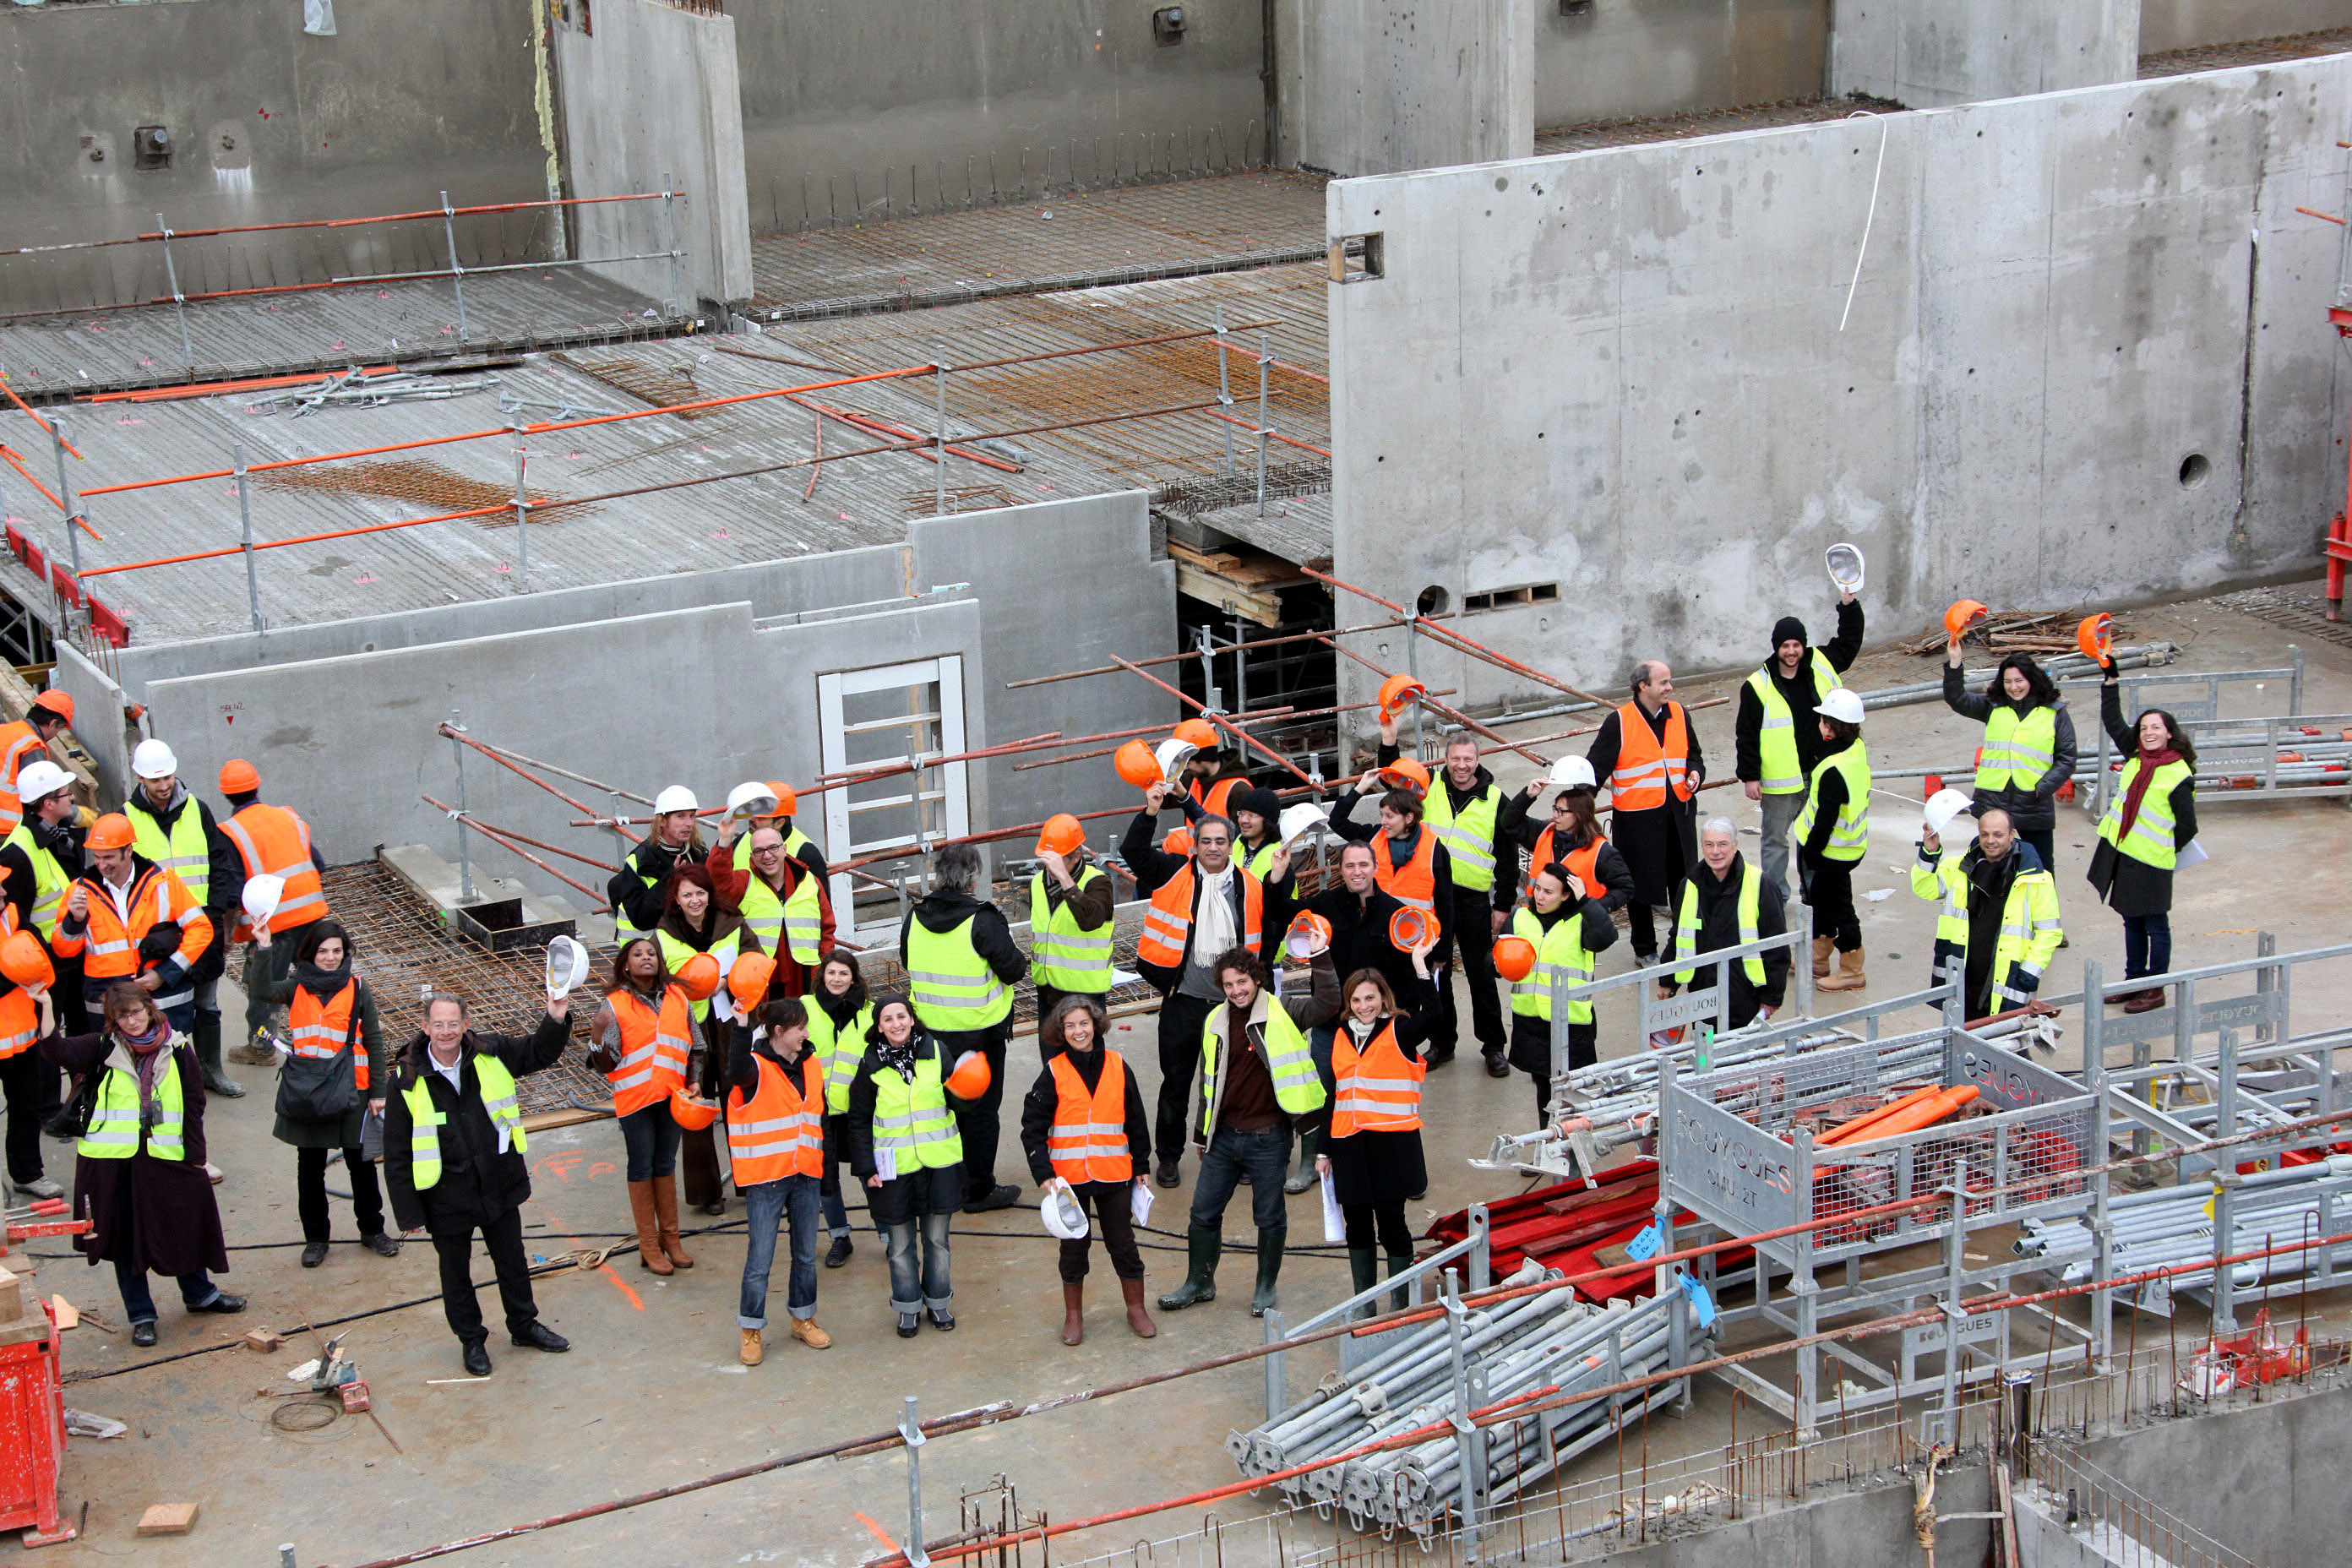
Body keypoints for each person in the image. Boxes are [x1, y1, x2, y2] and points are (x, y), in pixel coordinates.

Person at [41, 983, 246, 1347]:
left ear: (149, 1009)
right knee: (123, 1241)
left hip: (165, 1159)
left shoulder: (179, 1050)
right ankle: (141, 1315)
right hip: (110, 1164)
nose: (132, 1021)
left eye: (136, 1012)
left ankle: (200, 1295)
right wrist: (45, 1005)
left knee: (181, 1225)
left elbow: (194, 1106)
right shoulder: (101, 1048)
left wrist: (197, 1159)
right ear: (113, 1020)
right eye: (122, 1016)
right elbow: (55, 1050)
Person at [383, 988, 574, 1376]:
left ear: (466, 1025)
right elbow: (398, 1151)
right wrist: (408, 1211)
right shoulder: (406, 1078)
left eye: (454, 1023)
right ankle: (471, 1340)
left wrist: (555, 1017)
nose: (447, 1031)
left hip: (497, 1181)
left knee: (512, 1261)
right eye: (439, 1024)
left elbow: (538, 1051)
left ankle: (523, 1325)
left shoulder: (490, 1053)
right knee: (455, 1273)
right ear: (425, 1027)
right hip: (445, 1194)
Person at [1157, 945, 1338, 1318]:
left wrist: (1319, 955)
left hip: (1268, 1138)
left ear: (1257, 979)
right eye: (1228, 984)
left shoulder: (1284, 1011)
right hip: (1223, 1137)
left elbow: (1328, 1003)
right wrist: (1201, 1135)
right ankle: (1200, 1282)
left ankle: (1265, 1287)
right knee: (1202, 1213)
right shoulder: (1215, 1022)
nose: (1236, 990)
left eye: (1242, 982)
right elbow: (1207, 1084)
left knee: (1269, 1216)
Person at [1122, 783, 1285, 1189]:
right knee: (1176, 1084)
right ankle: (1170, 1157)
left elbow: (1275, 923)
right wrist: (1150, 812)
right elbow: (1134, 853)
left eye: (1221, 841)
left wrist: (1280, 881)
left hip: (1234, 1005)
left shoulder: (1250, 884)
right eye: (1206, 841)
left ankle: (1238, 1154)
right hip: (1185, 1000)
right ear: (1194, 845)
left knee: (1235, 1084)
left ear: (1232, 846)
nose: (1213, 847)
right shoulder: (1173, 872)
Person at [251, 920, 398, 1266]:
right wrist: (263, 948)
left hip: (354, 1091)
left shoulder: (359, 989)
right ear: (310, 954)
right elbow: (260, 991)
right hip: (311, 1091)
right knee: (310, 1168)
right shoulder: (295, 986)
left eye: (337, 951)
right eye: (323, 951)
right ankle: (316, 1239)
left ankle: (373, 1230)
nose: (331, 958)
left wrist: (379, 1092)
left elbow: (374, 1041)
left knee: (361, 1166)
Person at [1376, 720, 1515, 1079]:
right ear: (1447, 759)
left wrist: (1502, 904)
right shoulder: (1429, 785)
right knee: (1438, 974)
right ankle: (1443, 1042)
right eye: (1455, 758)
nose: (1462, 765)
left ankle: (1493, 1047)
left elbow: (1508, 856)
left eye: (1468, 758)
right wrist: (1389, 740)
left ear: (1478, 759)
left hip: (1472, 901)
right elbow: (1393, 783)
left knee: (1480, 974)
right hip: (1432, 900)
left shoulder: (1496, 800)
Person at [1270, 839, 1407, 1195]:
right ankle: (1310, 1161)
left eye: (1363, 865)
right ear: (1340, 871)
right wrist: (1279, 875)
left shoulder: (1395, 911)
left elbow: (1407, 972)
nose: (1357, 872)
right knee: (1319, 1093)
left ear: (1375, 867)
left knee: (1382, 1096)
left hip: (1378, 1028)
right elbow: (1282, 911)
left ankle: (1397, 1165)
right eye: (1349, 866)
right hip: (1332, 1023)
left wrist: (1403, 1022)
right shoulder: (1325, 905)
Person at [1019, 993, 1156, 1344]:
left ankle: (1136, 1309)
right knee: (1074, 1248)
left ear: (1096, 1024)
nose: (1078, 1031)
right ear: (1060, 1032)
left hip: (1114, 1174)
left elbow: (1135, 1118)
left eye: (1084, 1023)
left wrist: (1141, 1163)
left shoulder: (1117, 1064)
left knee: (1123, 1243)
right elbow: (1032, 1126)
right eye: (1070, 1026)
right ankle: (1074, 1316)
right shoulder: (1053, 1072)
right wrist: (1043, 1173)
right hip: (1069, 1180)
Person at [900, 841, 1027, 1213]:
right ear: (973, 878)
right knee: (982, 1114)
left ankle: (944, 1185)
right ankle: (977, 1189)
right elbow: (1014, 970)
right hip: (980, 1036)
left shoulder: (915, 917)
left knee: (940, 1111)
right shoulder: (983, 919)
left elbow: (908, 960)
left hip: (930, 1037)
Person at [1316, 934, 1440, 1313]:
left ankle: (1399, 1306)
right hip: (1349, 1144)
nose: (1363, 1006)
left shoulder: (1400, 1031)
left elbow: (1434, 1016)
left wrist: (1421, 967)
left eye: (1370, 998)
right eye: (1356, 1000)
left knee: (1392, 1225)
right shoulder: (1340, 1036)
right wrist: (1323, 1149)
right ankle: (1365, 1305)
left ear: (1383, 999)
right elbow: (1333, 1095)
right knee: (1357, 1224)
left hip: (1392, 1145)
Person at [123, 740, 243, 1098]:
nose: (163, 787)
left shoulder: (198, 809)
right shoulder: (126, 818)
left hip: (200, 929)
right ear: (140, 778)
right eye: (155, 780)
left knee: (206, 1003)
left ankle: (210, 1071)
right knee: (159, 1008)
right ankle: (162, 1079)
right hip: (158, 934)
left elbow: (219, 864)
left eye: (168, 778)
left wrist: (215, 915)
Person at [847, 995, 972, 1337]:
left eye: (901, 1016)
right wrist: (865, 1167)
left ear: (912, 1019)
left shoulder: (937, 1052)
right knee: (900, 1246)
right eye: (887, 1019)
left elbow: (956, 1098)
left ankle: (939, 1303)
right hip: (894, 1170)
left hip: (939, 1165)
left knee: (937, 1241)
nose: (896, 1024)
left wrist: (970, 1090)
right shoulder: (870, 1064)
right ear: (879, 1027)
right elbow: (857, 1120)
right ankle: (907, 1307)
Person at [725, 994, 832, 1364]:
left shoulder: (812, 1065)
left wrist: (825, 1173)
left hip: (805, 1174)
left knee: (805, 1254)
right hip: (767, 1179)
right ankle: (751, 1328)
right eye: (800, 1027)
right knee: (760, 1259)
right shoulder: (753, 1067)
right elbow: (735, 1070)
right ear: (778, 1031)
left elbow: (820, 1120)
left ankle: (803, 1318)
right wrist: (740, 1026)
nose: (806, 1033)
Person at [1735, 591, 1864, 895]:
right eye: (1785, 646)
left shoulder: (1821, 662)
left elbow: (1849, 641)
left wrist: (1849, 606)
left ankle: (1813, 892)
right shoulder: (1757, 686)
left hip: (1821, 772)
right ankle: (1776, 895)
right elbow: (1747, 734)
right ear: (1776, 647)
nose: (1792, 651)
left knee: (1813, 836)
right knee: (1775, 839)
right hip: (1782, 781)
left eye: (1796, 645)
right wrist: (1750, 776)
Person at [2088, 662, 2198, 1014]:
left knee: (2155, 924)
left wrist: (2163, 849)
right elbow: (2113, 720)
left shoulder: (2178, 772)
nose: (2149, 732)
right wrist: (2110, 680)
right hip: (2125, 854)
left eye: (2156, 727)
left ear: (2169, 734)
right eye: (2145, 727)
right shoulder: (2136, 756)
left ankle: (2155, 987)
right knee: (2130, 919)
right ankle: (2134, 980)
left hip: (2152, 859)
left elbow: (2187, 826)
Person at [654, 863, 758, 1216]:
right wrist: (693, 986)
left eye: (700, 893)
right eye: (687, 895)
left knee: (740, 1101)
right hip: (689, 1031)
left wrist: (728, 982)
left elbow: (756, 960)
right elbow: (656, 981)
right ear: (676, 899)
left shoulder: (732, 923)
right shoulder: (664, 935)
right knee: (695, 1105)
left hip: (731, 1025)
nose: (695, 900)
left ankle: (749, 1180)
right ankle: (706, 1192)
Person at [1587, 662, 1705, 966]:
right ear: (1643, 686)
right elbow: (1595, 769)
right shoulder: (1620, 722)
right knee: (1638, 887)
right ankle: (1645, 948)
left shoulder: (1679, 713)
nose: (1670, 687)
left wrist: (1695, 772)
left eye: (1670, 681)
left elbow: (1694, 754)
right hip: (1637, 822)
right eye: (1663, 682)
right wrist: (1581, 810)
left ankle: (1683, 942)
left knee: (1684, 884)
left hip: (1679, 817)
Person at [588, 938, 694, 1273]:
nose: (646, 958)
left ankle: (671, 1240)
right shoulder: (615, 1004)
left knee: (665, 1164)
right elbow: (605, 1064)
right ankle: (649, 1246)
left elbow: (696, 1044)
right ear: (625, 965)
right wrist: (596, 1037)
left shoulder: (678, 997)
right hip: (636, 1101)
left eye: (651, 954)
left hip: (672, 1097)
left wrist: (695, 1079)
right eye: (638, 955)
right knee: (642, 1167)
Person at [52, 813, 212, 1032]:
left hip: (161, 1002)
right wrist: (75, 920)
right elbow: (63, 951)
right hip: (108, 1008)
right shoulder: (78, 891)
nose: (101, 865)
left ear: (128, 851)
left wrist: (165, 973)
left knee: (170, 1063)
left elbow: (201, 929)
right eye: (97, 857)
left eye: (108, 857)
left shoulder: (164, 882)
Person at [217, 758, 329, 1059]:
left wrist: (227, 935)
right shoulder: (288, 816)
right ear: (257, 785)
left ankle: (261, 1047)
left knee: (265, 985)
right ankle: (332, 1037)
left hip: (274, 923)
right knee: (319, 980)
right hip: (312, 913)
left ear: (225, 794)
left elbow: (231, 891)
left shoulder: (230, 831)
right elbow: (318, 864)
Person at [1913, 806, 2064, 1021]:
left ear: (2012, 835)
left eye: (1998, 834)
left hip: (2007, 979)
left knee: (2008, 1044)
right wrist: (1929, 852)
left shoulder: (2037, 879)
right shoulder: (1961, 867)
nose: (1990, 840)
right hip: (1963, 976)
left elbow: (2050, 933)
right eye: (1985, 834)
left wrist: (2028, 974)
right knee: (1962, 1042)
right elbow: (1925, 888)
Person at [3, 760, 84, 1160]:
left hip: (69, 957)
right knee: (47, 1037)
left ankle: (74, 1104)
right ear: (47, 803)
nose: (73, 796)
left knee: (75, 1029)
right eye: (66, 793)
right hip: (45, 965)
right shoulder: (18, 853)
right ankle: (50, 1113)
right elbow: (14, 923)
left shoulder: (57, 837)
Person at [1941, 643, 2077, 879]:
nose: (2014, 687)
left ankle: (2040, 917)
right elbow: (1957, 698)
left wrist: (2041, 789)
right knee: (1992, 869)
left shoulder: (2054, 712)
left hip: (2033, 804)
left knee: (2041, 870)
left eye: (2019, 680)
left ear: (2032, 679)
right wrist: (1955, 664)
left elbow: (2067, 758)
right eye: (2008, 681)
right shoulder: (1992, 707)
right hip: (1994, 801)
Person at [1505, 864, 1619, 1123]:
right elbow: (1499, 952)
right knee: (1544, 1090)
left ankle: (1570, 1151)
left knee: (1571, 1094)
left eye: (1549, 892)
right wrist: (1497, 963)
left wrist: (1587, 902)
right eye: (1538, 890)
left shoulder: (1581, 922)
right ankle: (1550, 1146)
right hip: (1532, 1023)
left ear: (1567, 895)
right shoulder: (1521, 917)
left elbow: (1606, 936)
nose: (1540, 897)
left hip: (1571, 1025)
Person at [1658, 817, 1789, 1032]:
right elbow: (1679, 936)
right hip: (1702, 993)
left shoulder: (1760, 884)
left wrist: (1772, 997)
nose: (1715, 852)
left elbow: (1777, 947)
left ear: (1735, 846)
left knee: (1740, 1058)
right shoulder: (1690, 885)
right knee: (1705, 1053)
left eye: (1722, 844)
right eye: (1709, 845)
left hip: (1743, 995)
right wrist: (1668, 981)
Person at [1794, 689, 1871, 992]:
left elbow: (1825, 820)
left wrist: (1812, 853)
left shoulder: (1832, 768)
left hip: (1829, 853)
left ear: (1828, 725)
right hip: (1846, 849)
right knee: (1823, 904)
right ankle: (1818, 958)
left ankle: (1853, 969)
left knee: (1838, 908)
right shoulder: (1855, 750)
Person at [806, 950, 875, 1267]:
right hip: (819, 1111)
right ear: (822, 976)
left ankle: (889, 1235)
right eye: (831, 973)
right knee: (826, 1180)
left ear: (854, 977)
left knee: (871, 1174)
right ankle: (839, 1237)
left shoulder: (872, 1013)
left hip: (860, 1112)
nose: (836, 979)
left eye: (843, 974)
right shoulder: (804, 1008)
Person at [709, 821, 834, 997]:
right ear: (752, 856)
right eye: (759, 851)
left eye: (773, 848)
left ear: (784, 848)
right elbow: (718, 882)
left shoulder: (810, 882)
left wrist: (824, 969)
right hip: (759, 979)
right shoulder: (744, 881)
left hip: (805, 978)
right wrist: (724, 843)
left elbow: (827, 929)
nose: (767, 856)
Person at [1499, 763, 1635, 915]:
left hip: (1576, 930)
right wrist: (1528, 796)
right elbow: (1509, 823)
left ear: (1579, 815)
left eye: (1561, 811)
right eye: (1555, 809)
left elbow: (1625, 888)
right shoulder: (1545, 833)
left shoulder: (1601, 852)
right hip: (1538, 921)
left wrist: (1594, 909)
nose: (1555, 815)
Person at [1027, 814, 1116, 1028]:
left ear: (1076, 856)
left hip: (1085, 995)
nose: (1049, 867)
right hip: (1048, 990)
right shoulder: (1038, 883)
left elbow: (1090, 920)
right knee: (1051, 1060)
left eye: (1056, 862)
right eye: (1046, 859)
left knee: (1086, 1059)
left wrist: (1066, 881)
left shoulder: (1098, 883)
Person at [607, 786, 705, 946]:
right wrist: (671, 880)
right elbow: (642, 918)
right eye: (681, 816)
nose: (689, 823)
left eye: (692, 816)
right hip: (646, 957)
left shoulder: (698, 854)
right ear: (662, 820)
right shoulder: (640, 861)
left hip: (686, 953)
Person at [0, 689, 73, 836]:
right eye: (59, 730)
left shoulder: (5, 730)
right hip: (10, 826)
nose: (55, 735)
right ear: (53, 724)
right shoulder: (32, 746)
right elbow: (42, 795)